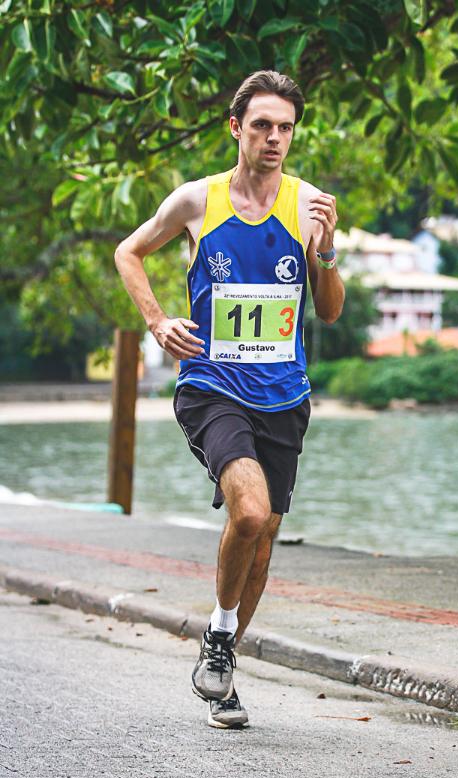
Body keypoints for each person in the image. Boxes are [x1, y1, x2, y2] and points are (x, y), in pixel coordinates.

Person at [115, 70, 344, 728]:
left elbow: (327, 313)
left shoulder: (309, 207)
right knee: (249, 512)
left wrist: (325, 255)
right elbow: (129, 252)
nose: (275, 138)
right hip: (212, 385)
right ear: (236, 128)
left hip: (285, 396)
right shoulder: (196, 201)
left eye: (286, 128)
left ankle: (223, 668)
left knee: (265, 539)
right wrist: (158, 320)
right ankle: (218, 638)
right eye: (263, 125)